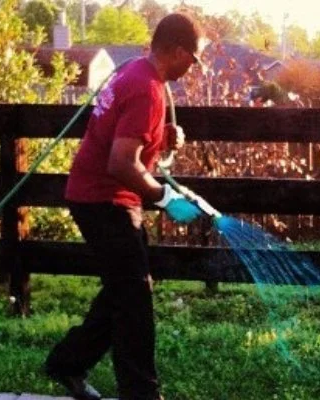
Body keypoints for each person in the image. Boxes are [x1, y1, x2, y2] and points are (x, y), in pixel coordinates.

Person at [44, 13, 205, 400]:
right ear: (178, 50)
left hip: (96, 195)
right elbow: (120, 163)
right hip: (103, 199)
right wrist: (165, 198)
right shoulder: (146, 88)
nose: (193, 67)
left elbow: (125, 135)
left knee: (122, 290)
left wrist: (162, 137)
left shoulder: (134, 71)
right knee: (134, 302)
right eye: (194, 59)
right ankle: (141, 394)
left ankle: (67, 364)